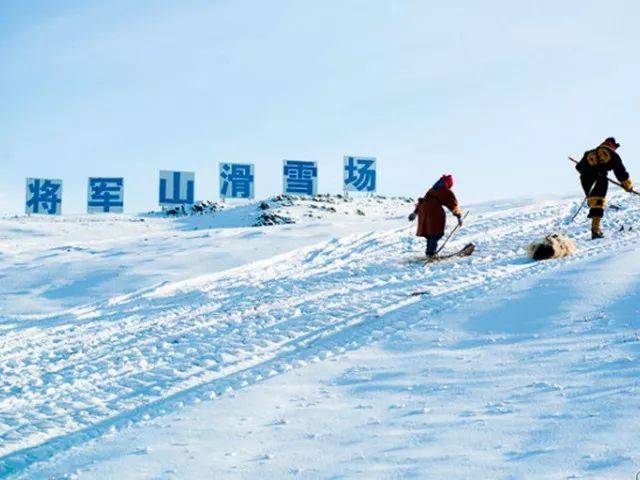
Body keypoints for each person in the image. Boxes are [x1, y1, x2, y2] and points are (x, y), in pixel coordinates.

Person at [575, 137, 633, 239]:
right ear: (612, 145)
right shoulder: (613, 154)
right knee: (598, 203)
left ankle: (595, 230)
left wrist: (591, 169)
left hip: (586, 180)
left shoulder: (589, 152)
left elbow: (579, 167)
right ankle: (595, 232)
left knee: (594, 201)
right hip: (599, 179)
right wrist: (628, 186)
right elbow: (620, 172)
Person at [409, 174, 463, 258]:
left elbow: (423, 201)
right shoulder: (445, 191)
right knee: (436, 233)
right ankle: (431, 253)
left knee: (429, 232)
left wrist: (415, 213)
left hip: (423, 211)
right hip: (433, 211)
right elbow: (453, 204)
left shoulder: (432, 190)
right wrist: (459, 217)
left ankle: (429, 252)